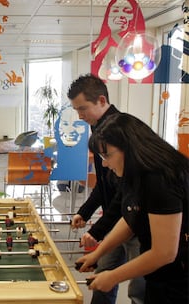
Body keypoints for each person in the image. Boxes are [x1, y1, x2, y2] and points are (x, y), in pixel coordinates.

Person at [76, 113, 188, 304]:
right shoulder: (134, 174)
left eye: (106, 155)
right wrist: (97, 253)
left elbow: (165, 253)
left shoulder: (159, 179)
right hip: (159, 277)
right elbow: (130, 219)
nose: (104, 163)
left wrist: (113, 277)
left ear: (129, 148)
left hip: (180, 281)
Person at [67, 73, 145, 304]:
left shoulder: (121, 131)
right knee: (102, 276)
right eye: (76, 110)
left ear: (102, 100)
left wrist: (97, 231)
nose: (80, 116)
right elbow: (106, 184)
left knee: (139, 290)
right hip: (119, 219)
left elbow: (124, 193)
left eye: (83, 109)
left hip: (138, 222)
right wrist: (86, 211)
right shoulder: (99, 129)